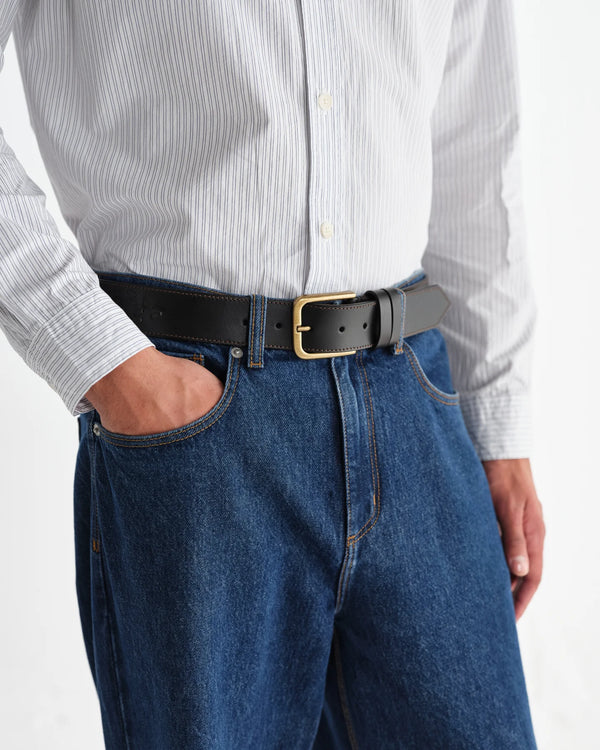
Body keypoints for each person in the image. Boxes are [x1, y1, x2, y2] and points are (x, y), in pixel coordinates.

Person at [0, 1, 544, 748]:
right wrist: (112, 367)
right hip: (194, 423)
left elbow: (476, 141)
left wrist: (499, 423)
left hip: (415, 402)